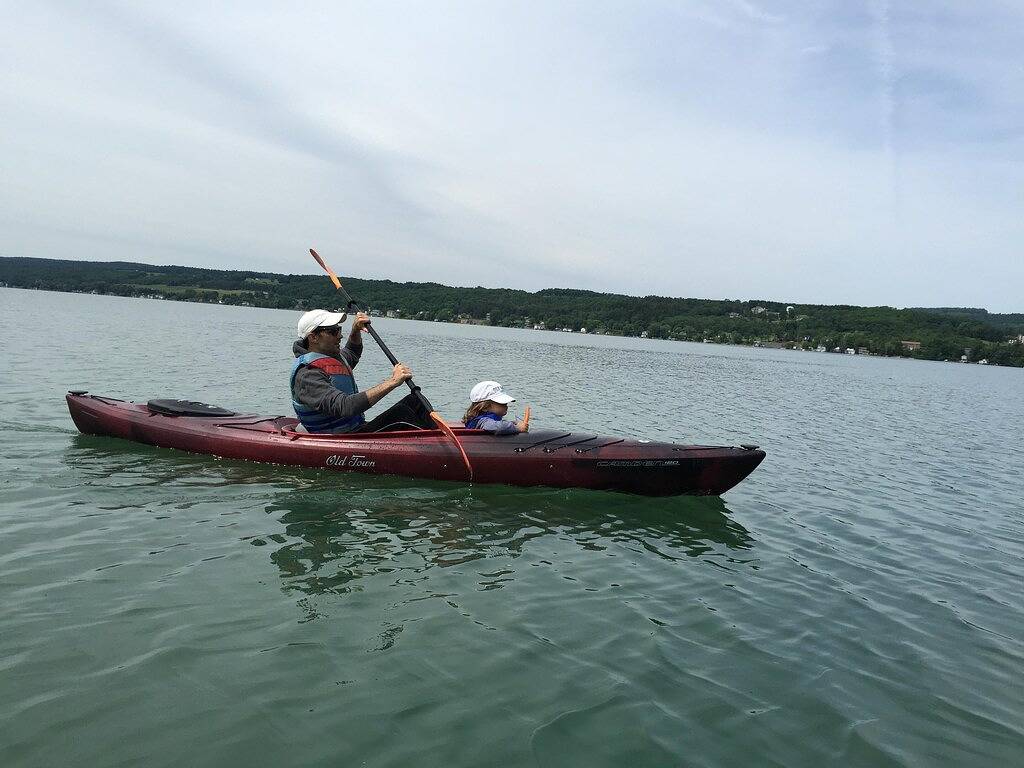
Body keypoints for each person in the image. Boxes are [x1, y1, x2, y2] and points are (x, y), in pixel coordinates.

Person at [290, 308, 433, 433]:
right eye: (333, 332)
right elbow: (345, 406)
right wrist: (392, 382)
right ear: (313, 337)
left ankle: (440, 439)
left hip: (355, 428)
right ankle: (437, 449)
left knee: (416, 400)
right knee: (402, 414)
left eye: (339, 329)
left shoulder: (332, 357)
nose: (340, 335)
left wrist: (355, 329)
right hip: (337, 436)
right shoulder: (307, 374)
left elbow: (352, 352)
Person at [463, 381, 529, 434]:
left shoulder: (489, 419)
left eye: (506, 403)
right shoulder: (483, 421)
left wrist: (514, 423)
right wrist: (517, 428)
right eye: (501, 403)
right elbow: (497, 427)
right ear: (485, 407)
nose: (506, 406)